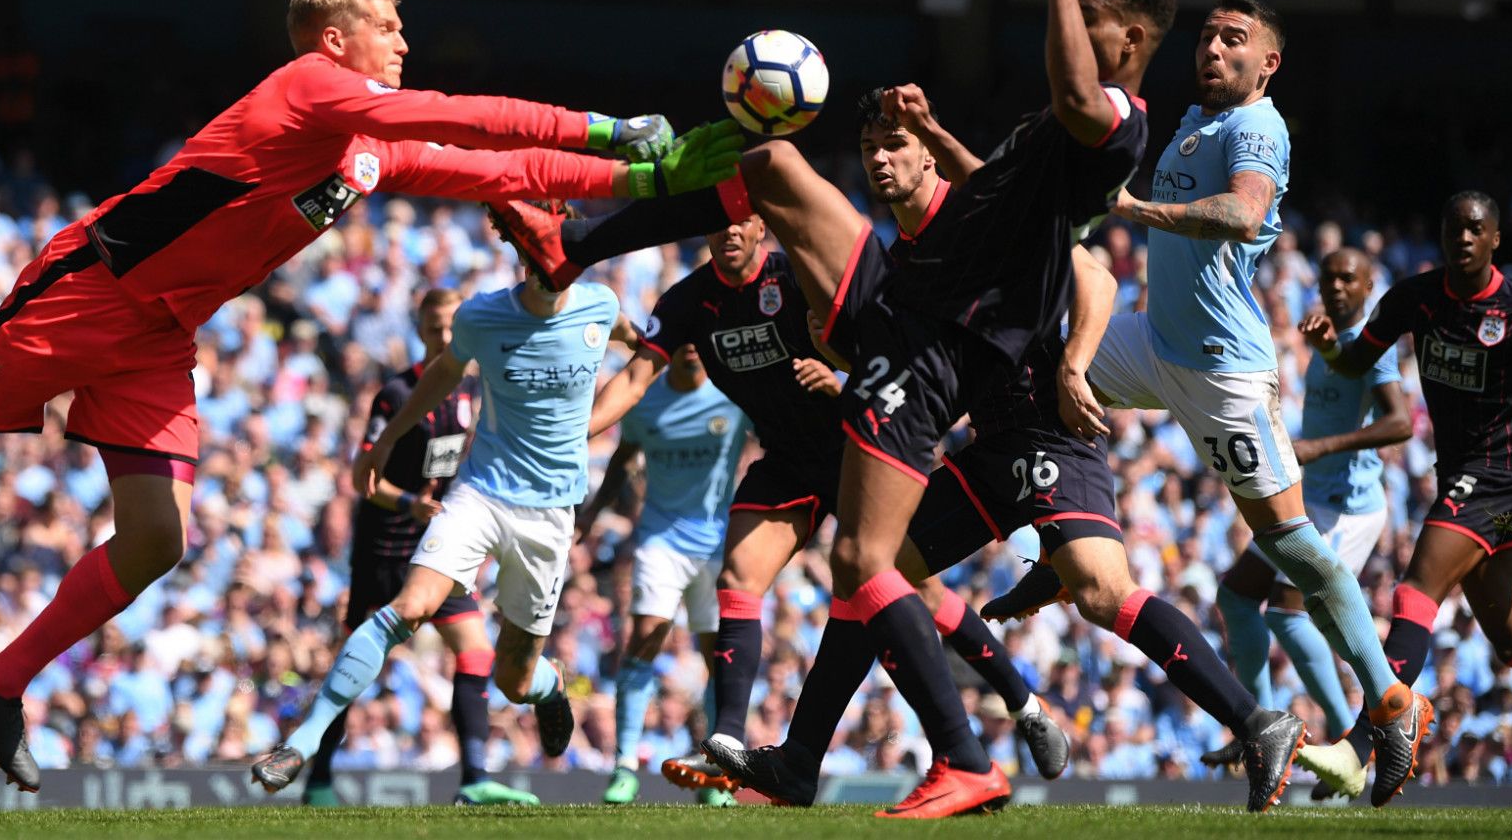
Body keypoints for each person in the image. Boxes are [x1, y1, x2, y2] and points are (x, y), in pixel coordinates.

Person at [0, 0, 744, 792]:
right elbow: (460, 115)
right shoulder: (307, 89)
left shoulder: (363, 148)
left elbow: (498, 172)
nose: (402, 43)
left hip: (160, 336)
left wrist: (641, 177)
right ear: (335, 41)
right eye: (388, 27)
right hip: (87, 295)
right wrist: (603, 126)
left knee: (158, 541)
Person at [492, 0, 1160, 818]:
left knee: (864, 561)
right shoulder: (1046, 146)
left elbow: (1080, 117)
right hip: (912, 314)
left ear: (1128, 42)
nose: (1074, 33)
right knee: (769, 163)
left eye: (1090, 22)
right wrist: (935, 134)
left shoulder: (1110, 121)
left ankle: (966, 753)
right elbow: (999, 197)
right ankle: (571, 245)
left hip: (934, 336)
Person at [708, 101, 1308, 817]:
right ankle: (801, 759)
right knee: (871, 566)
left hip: (1050, 430)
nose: (880, 159)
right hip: (991, 444)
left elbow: (1096, 280)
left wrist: (1075, 366)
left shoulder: (977, 211)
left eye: (894, 143)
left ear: (928, 154)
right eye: (868, 148)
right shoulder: (896, 262)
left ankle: (1257, 722)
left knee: (1102, 593)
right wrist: (837, 350)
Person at [1029, 0, 1434, 807]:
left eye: (1233, 39)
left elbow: (1246, 214)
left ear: (1268, 62)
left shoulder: (1258, 127)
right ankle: (1067, 551)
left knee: (1289, 545)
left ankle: (1392, 701)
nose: (1213, 49)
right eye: (1207, 37)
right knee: (1043, 376)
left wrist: (1136, 207)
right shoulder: (1196, 120)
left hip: (1221, 369)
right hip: (1156, 343)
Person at [588, 126, 1075, 792]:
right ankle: (725, 740)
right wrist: (579, 435)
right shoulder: (688, 301)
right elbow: (635, 377)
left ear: (761, 223)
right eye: (717, 222)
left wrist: (840, 376)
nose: (728, 231)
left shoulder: (795, 276)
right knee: (739, 574)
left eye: (739, 220)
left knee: (916, 591)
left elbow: (881, 350)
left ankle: (1024, 703)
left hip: (859, 449)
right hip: (788, 462)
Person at [252, 234, 628, 792]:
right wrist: (390, 453)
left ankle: (543, 693)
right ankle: (305, 749)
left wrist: (599, 417)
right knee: (407, 610)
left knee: (509, 677)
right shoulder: (465, 334)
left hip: (544, 513)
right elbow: (428, 394)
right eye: (434, 326)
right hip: (454, 510)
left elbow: (643, 352)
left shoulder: (596, 309)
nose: (444, 335)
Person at [1303, 191, 1512, 804]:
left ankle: (1360, 747)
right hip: (1466, 482)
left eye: (1475, 228)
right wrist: (1330, 346)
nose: (1463, 237)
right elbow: (1357, 363)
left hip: (1498, 477)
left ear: (1495, 240)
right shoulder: (1415, 298)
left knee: (1415, 592)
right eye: (1454, 228)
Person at [298, 288, 536, 807]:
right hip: (385, 551)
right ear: (420, 329)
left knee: (475, 652)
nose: (444, 336)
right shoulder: (397, 393)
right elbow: (363, 478)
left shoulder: (472, 389)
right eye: (434, 328)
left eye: (451, 326)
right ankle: (317, 778)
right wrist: (409, 503)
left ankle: (474, 778)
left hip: (437, 548)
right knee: (357, 664)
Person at [1207, 248, 1412, 800]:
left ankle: (1354, 747)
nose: (1336, 287)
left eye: (1348, 278)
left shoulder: (1373, 346)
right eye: (1328, 278)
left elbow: (1400, 423)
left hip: (1347, 505)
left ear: (1369, 286)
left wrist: (1322, 446)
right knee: (1235, 598)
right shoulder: (1332, 344)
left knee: (1289, 617)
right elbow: (1342, 371)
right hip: (1311, 497)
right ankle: (1258, 729)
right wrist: (1325, 349)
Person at [579, 342, 750, 805]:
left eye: (698, 338)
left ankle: (715, 769)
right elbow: (623, 459)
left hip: (717, 544)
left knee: (718, 656)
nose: (690, 347)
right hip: (661, 540)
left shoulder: (733, 396)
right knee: (645, 636)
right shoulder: (646, 401)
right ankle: (624, 766)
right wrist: (592, 513)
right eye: (682, 338)